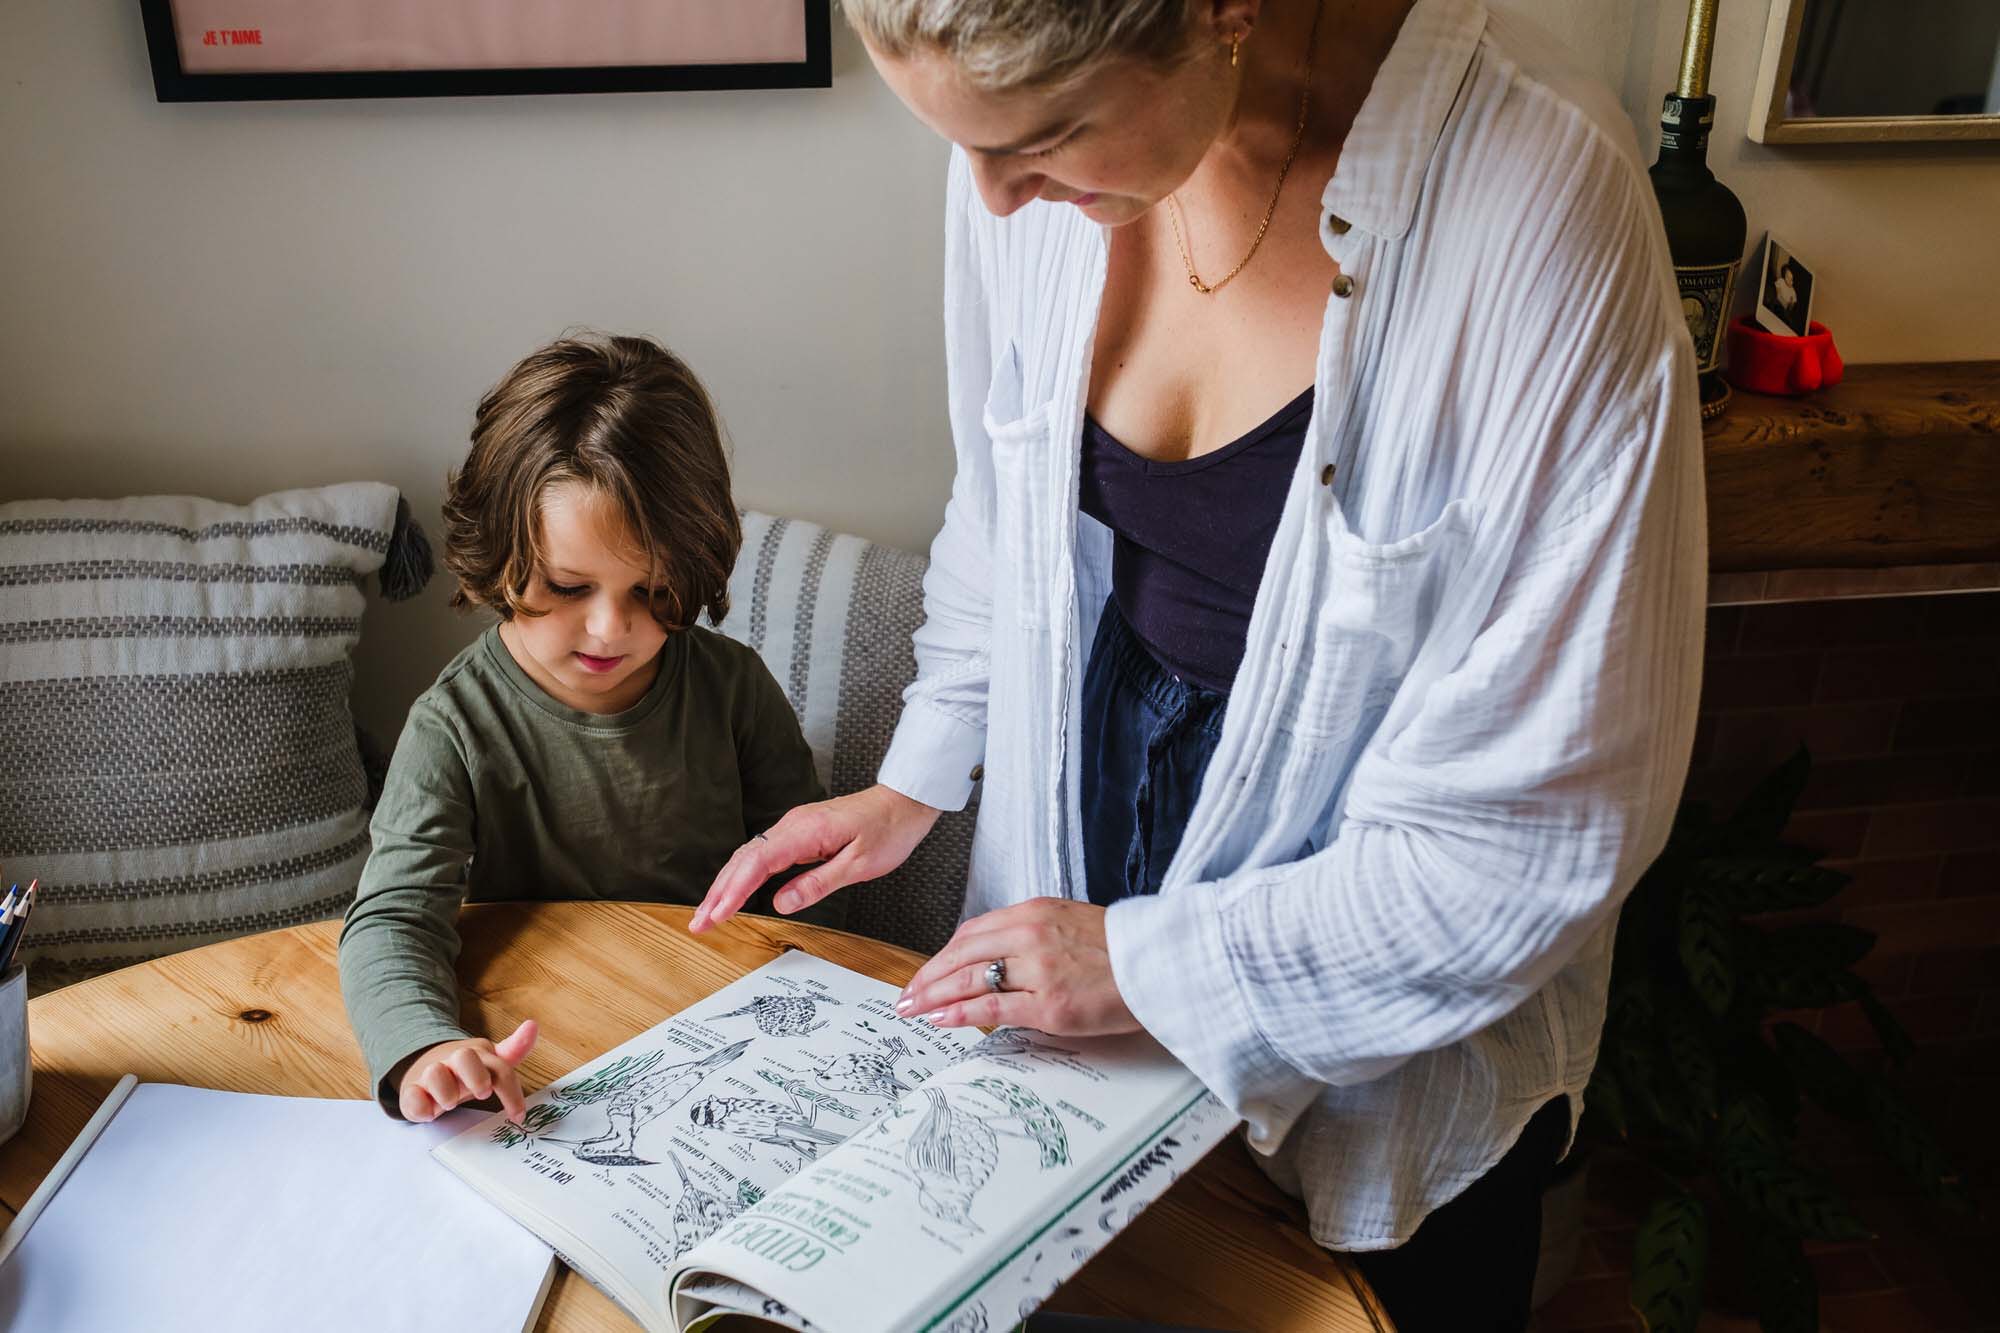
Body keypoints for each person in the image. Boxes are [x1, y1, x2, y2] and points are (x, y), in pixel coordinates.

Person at [695, 1, 1705, 1326]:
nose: (997, 203)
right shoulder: (1017, 167)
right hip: (1088, 865)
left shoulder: (1540, 201)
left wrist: (1151, 966)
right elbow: (1008, 504)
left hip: (1379, 962)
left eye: (1048, 136)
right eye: (967, 146)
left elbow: (1535, 840)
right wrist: (921, 773)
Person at [340, 333, 834, 1126]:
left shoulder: (732, 689)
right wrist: (424, 1048)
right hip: (533, 1068)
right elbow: (392, 920)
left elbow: (807, 892)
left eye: (653, 589)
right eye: (569, 585)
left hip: (722, 1055)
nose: (610, 628)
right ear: (497, 555)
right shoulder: (454, 726)